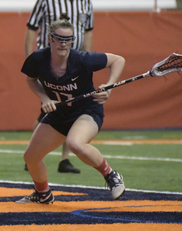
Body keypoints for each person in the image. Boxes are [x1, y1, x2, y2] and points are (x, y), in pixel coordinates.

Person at [16, 17, 125, 204]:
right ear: (50, 38)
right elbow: (31, 79)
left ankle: (112, 175)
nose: (63, 43)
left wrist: (109, 86)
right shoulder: (38, 58)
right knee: (30, 158)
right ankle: (43, 194)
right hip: (59, 115)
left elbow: (118, 60)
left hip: (87, 111)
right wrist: (44, 98)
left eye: (68, 39)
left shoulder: (82, 59)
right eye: (59, 38)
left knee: (75, 143)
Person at [23, 0, 94, 174]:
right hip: (50, 63)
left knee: (71, 107)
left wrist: (87, 60)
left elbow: (88, 30)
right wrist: (31, 58)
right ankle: (32, 155)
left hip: (75, 63)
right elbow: (31, 28)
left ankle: (64, 159)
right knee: (48, 109)